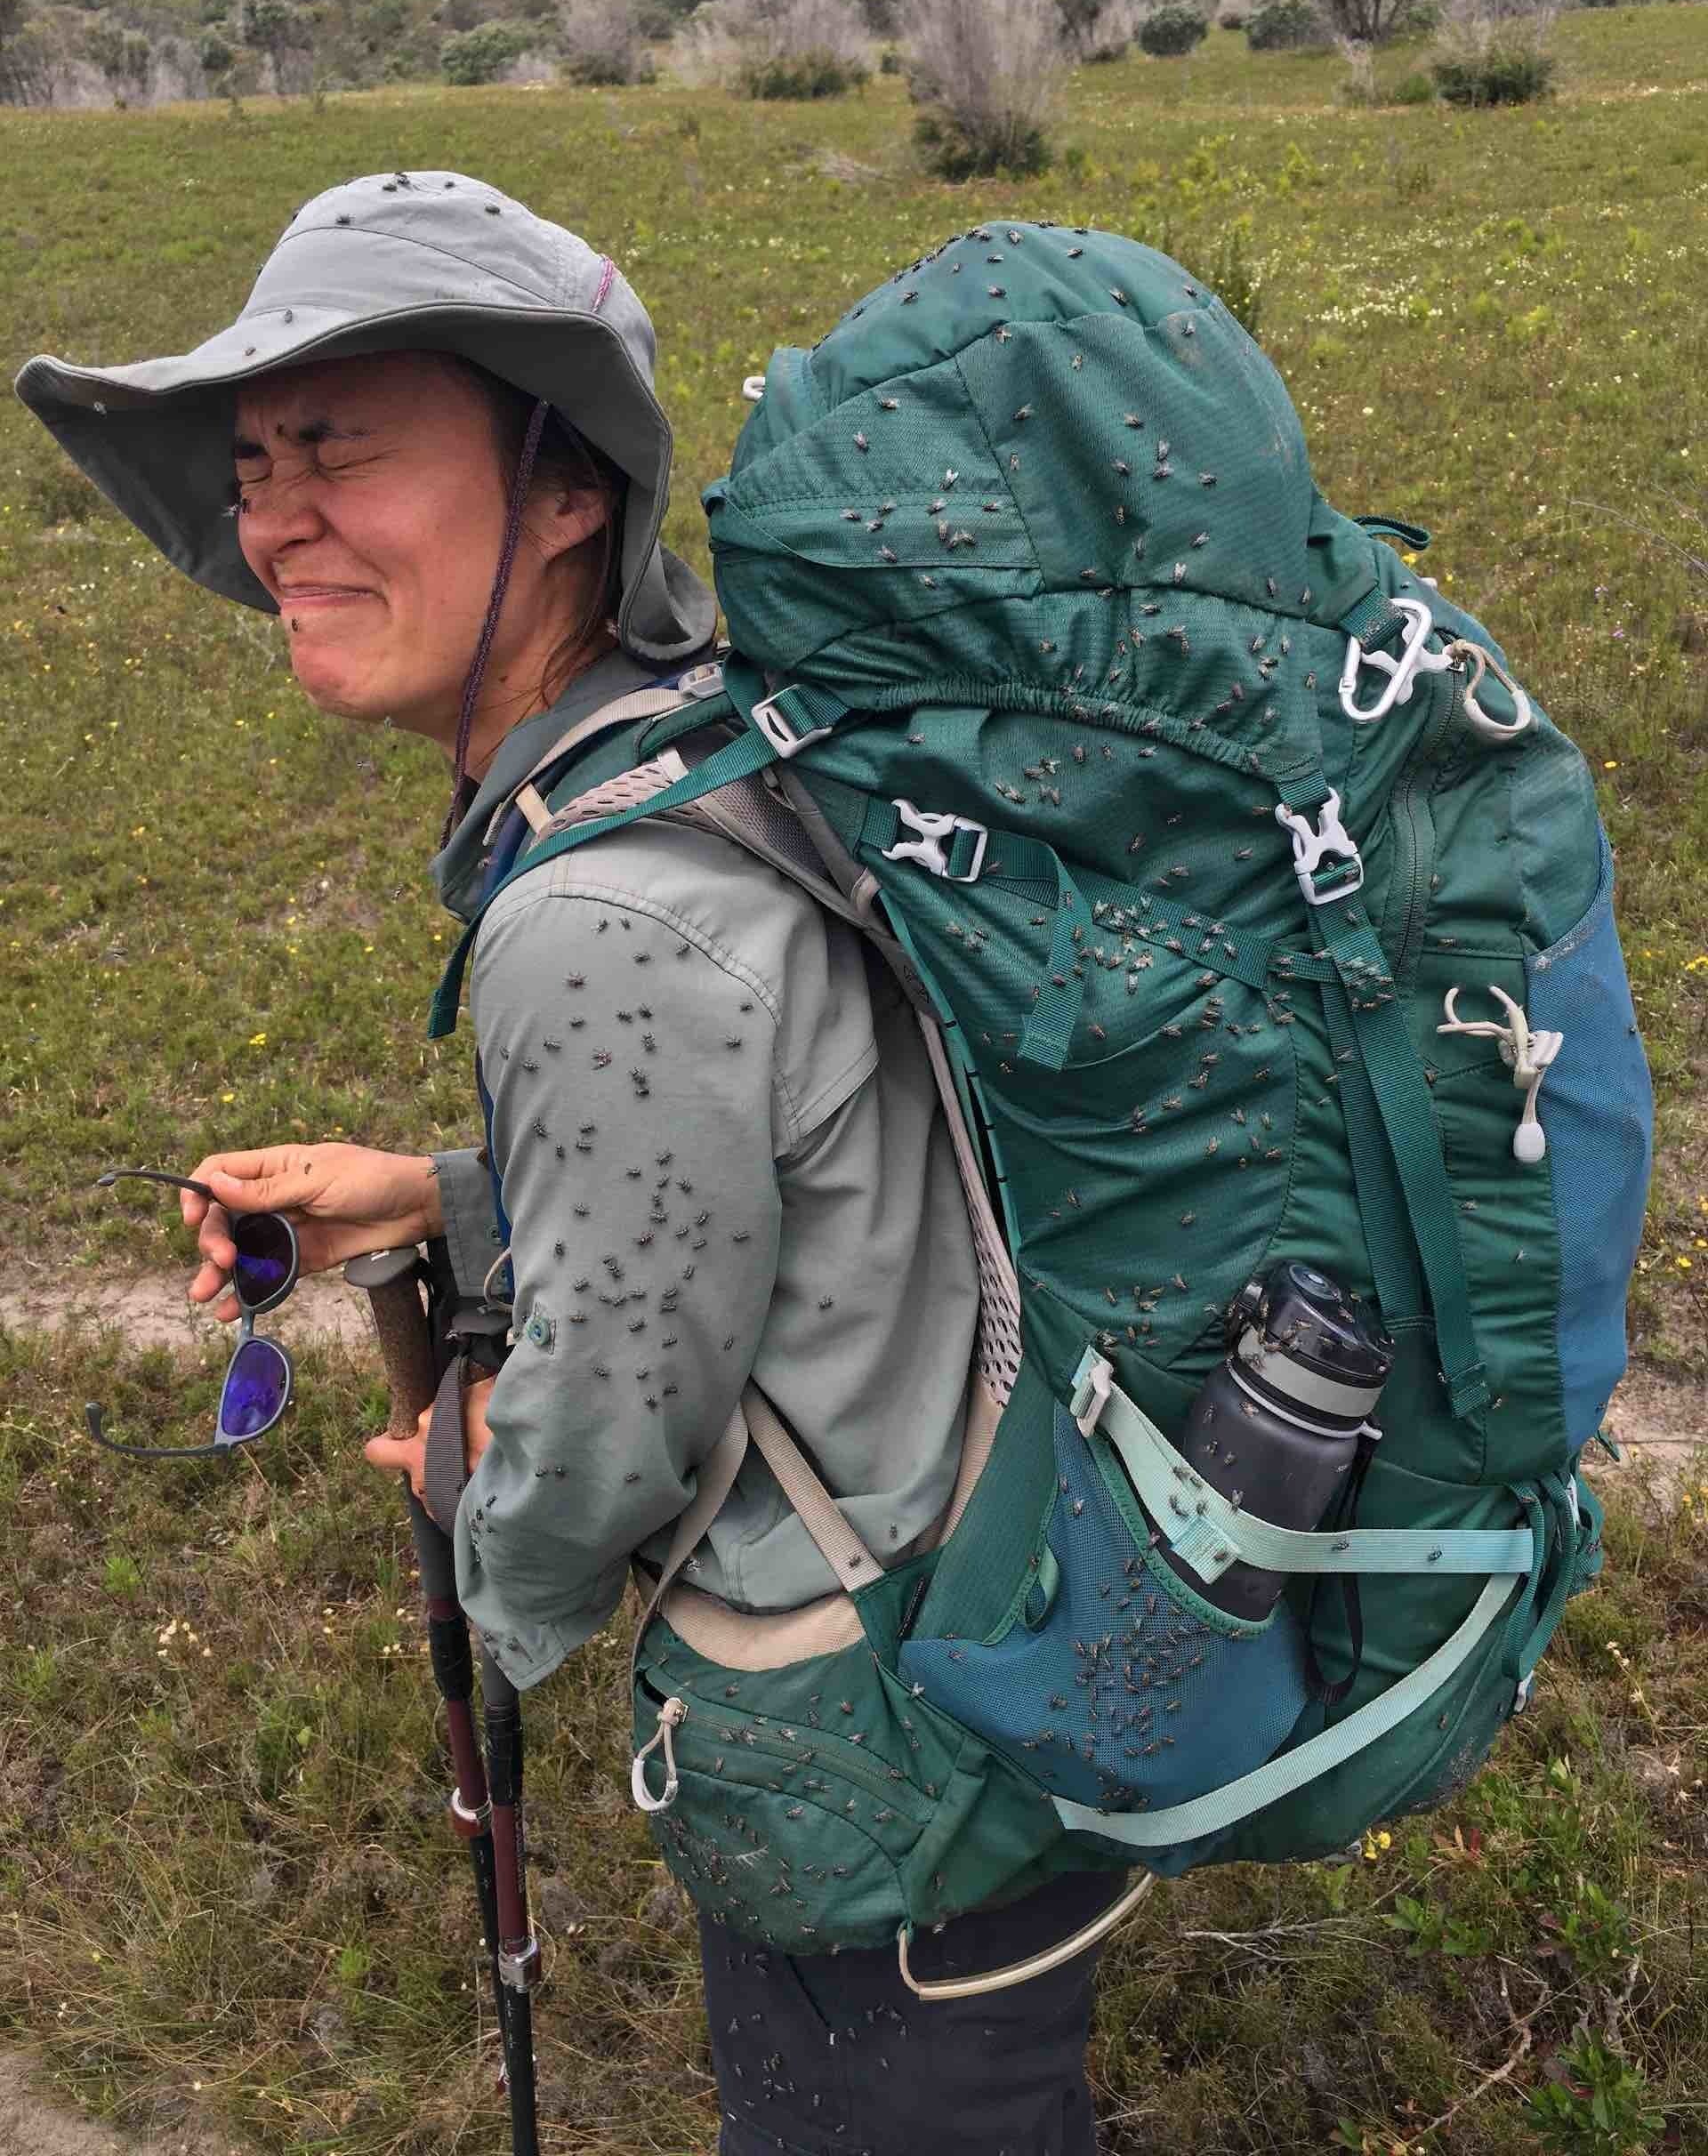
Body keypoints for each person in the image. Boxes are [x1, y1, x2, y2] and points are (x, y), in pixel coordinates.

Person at [17, 172, 1126, 2153]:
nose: (274, 516)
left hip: (884, 1757)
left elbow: (604, 1440)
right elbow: (806, 1130)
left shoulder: (592, 906)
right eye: (258, 459)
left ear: (563, 491)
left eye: (341, 442)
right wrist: (437, 1192)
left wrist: (480, 1499)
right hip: (1016, 1638)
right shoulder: (704, 740)